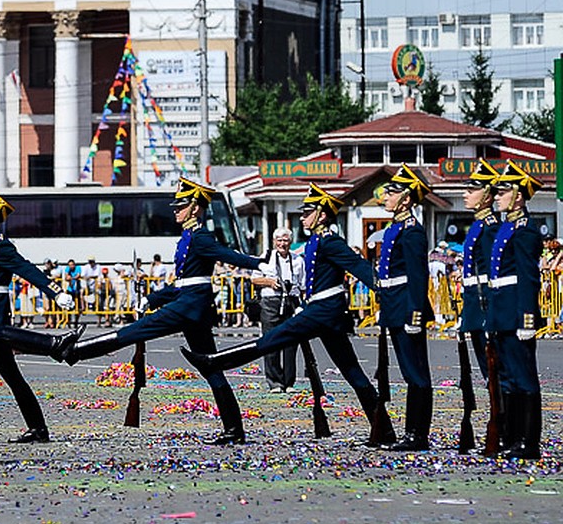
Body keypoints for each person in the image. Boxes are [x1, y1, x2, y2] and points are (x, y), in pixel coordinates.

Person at [182, 184, 397, 445]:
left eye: (308, 212)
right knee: (352, 372)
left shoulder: (331, 241)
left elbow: (359, 267)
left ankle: (215, 361)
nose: (303, 217)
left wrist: (384, 291)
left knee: (272, 339)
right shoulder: (316, 242)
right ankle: (384, 431)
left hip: (324, 311)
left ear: (322, 215)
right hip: (321, 311)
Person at [64, 177, 263, 445]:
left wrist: (262, 263)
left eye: (180, 206)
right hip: (191, 306)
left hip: (189, 308)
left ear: (195, 208)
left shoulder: (201, 237)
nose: (175, 211)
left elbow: (228, 256)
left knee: (135, 331)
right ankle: (234, 429)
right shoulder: (188, 237)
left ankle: (76, 351)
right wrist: (151, 298)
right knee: (211, 367)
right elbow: (181, 283)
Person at [0, 186, 80, 443]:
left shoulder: (0, 246)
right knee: (13, 377)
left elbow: (26, 269)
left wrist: (55, 292)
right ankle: (38, 428)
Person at [488, 161, 545, 460]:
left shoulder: (525, 231)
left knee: (524, 378)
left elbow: (528, 278)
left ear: (518, 196)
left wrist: (527, 317)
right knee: (508, 378)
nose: (497, 196)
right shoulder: (507, 228)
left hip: (515, 312)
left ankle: (528, 441)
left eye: (503, 192)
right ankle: (512, 437)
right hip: (502, 310)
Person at [376, 163, 433, 451]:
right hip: (394, 307)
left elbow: (417, 277)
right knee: (409, 372)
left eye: (392, 192)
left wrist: (415, 313)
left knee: (416, 374)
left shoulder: (412, 232)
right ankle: (411, 432)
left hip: (407, 309)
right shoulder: (395, 229)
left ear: (407, 199)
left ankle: (417, 434)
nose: (385, 196)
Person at [455, 158, 500, 451]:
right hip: (474, 306)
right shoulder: (477, 226)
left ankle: (503, 422)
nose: (464, 194)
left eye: (472, 189)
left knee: (495, 370)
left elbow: (492, 274)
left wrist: (487, 313)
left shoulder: (489, 226)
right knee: (486, 370)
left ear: (486, 195)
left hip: (485, 307)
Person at [251, 227, 304, 393]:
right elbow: (254, 279)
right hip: (271, 301)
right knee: (271, 340)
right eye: (279, 240)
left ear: (290, 242)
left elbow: (302, 284)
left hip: (291, 300)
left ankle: (289, 382)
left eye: (286, 240)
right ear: (274, 242)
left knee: (291, 342)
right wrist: (269, 282)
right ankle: (274, 382)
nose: (283, 243)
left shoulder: (297, 260)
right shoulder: (265, 258)